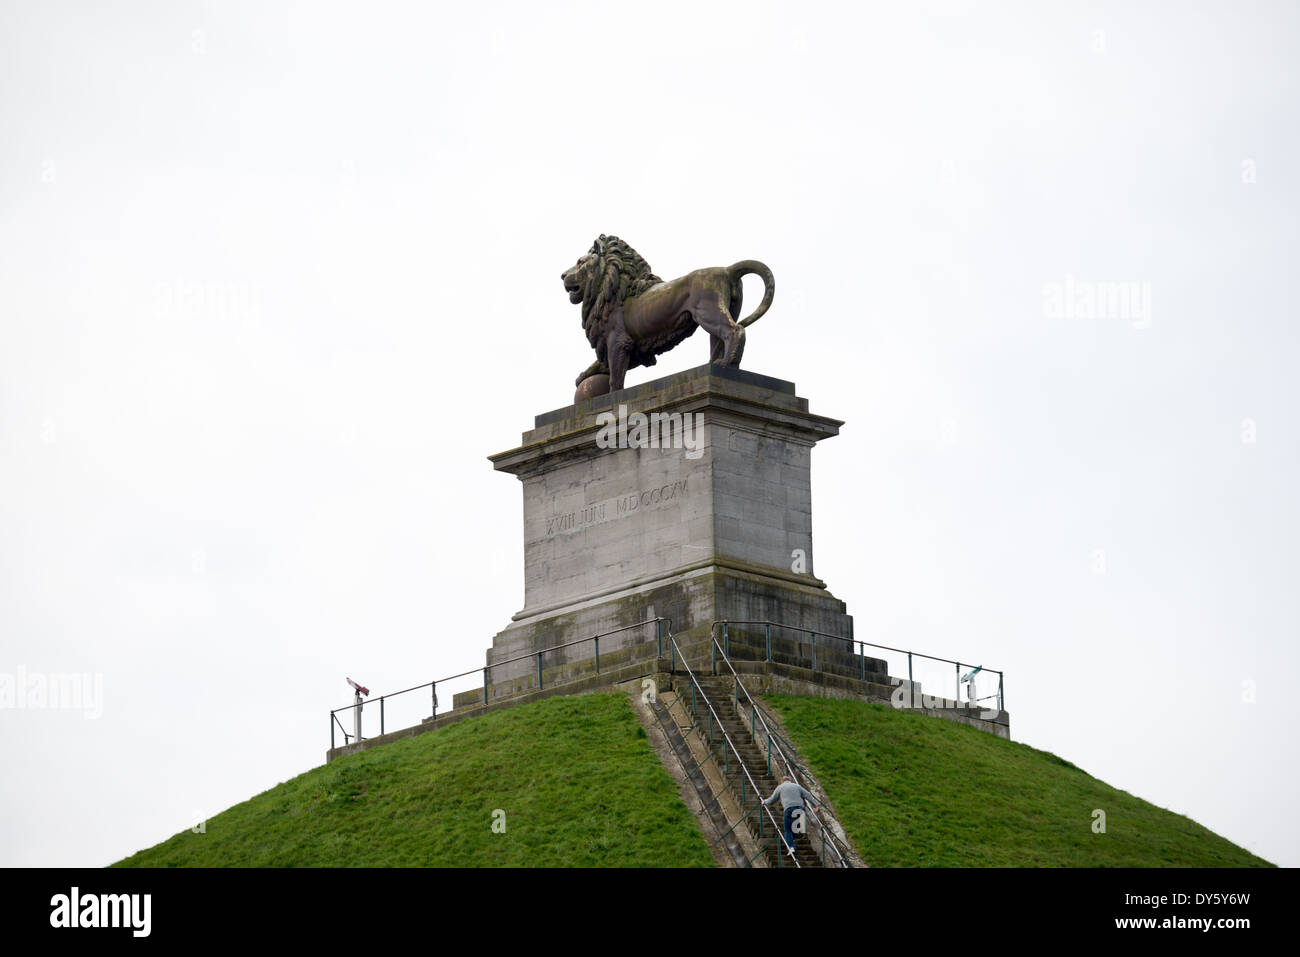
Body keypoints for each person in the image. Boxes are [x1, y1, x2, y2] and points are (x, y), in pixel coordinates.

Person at [762, 776, 817, 858]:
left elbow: (772, 799)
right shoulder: (797, 786)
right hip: (800, 809)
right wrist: (814, 805)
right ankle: (794, 837)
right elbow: (808, 794)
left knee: (788, 830)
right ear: (790, 781)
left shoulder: (780, 787)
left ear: (782, 781)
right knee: (797, 828)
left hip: (789, 809)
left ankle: (791, 847)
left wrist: (764, 802)